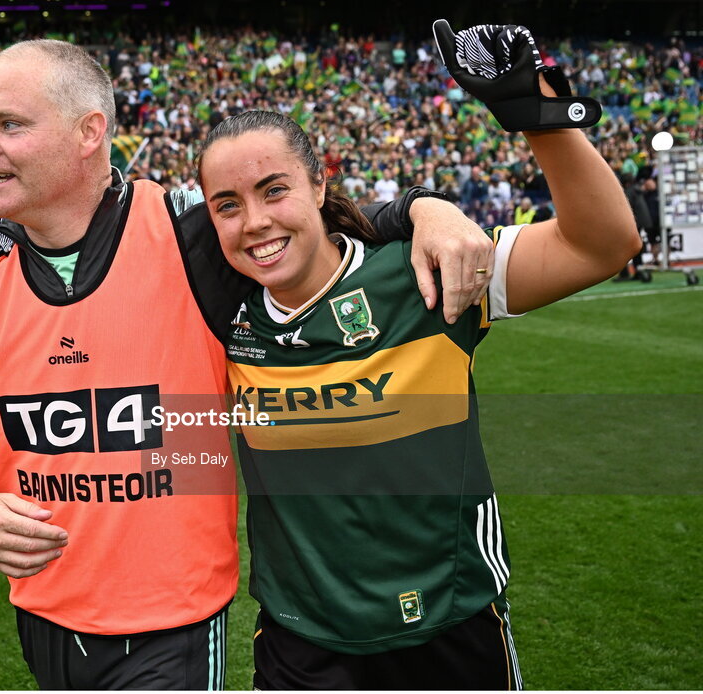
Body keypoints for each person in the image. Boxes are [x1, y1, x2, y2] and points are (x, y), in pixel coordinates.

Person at [0, 38, 497, 691]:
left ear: (89, 132)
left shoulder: (183, 233)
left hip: (175, 623)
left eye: (9, 124)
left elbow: (304, 225)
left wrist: (423, 208)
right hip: (43, 615)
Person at [196, 22, 640, 690]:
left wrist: (534, 112)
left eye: (274, 189)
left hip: (451, 627)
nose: (253, 221)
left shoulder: (426, 272)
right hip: (302, 645)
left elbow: (602, 245)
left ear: (320, 186)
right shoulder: (216, 314)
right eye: (226, 205)